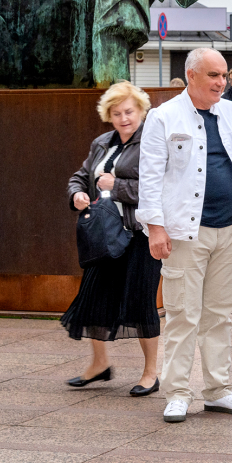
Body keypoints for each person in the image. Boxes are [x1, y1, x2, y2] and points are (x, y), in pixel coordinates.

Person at [137, 48, 232, 424]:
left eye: (224, 75)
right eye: (213, 75)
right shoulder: (163, 117)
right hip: (183, 233)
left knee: (219, 315)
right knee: (182, 315)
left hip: (230, 228)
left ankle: (218, 390)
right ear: (191, 75)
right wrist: (155, 228)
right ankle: (177, 392)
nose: (221, 82)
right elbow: (150, 175)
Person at [63, 82, 161, 396]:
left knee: (140, 302)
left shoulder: (152, 142)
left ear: (141, 111)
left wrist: (115, 185)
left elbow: (155, 189)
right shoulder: (102, 143)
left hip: (139, 235)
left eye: (129, 111)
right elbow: (81, 175)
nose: (123, 118)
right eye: (116, 113)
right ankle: (99, 365)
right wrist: (77, 193)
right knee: (94, 299)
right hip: (105, 236)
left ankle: (150, 373)